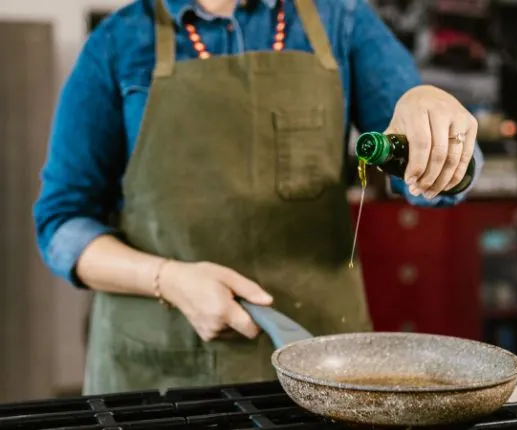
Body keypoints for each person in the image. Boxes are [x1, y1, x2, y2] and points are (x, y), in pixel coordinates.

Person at [32, 0, 483, 395]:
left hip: (320, 369)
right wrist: (167, 278)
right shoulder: (117, 42)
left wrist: (435, 127)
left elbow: (421, 169)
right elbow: (62, 223)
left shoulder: (341, 19)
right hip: (162, 375)